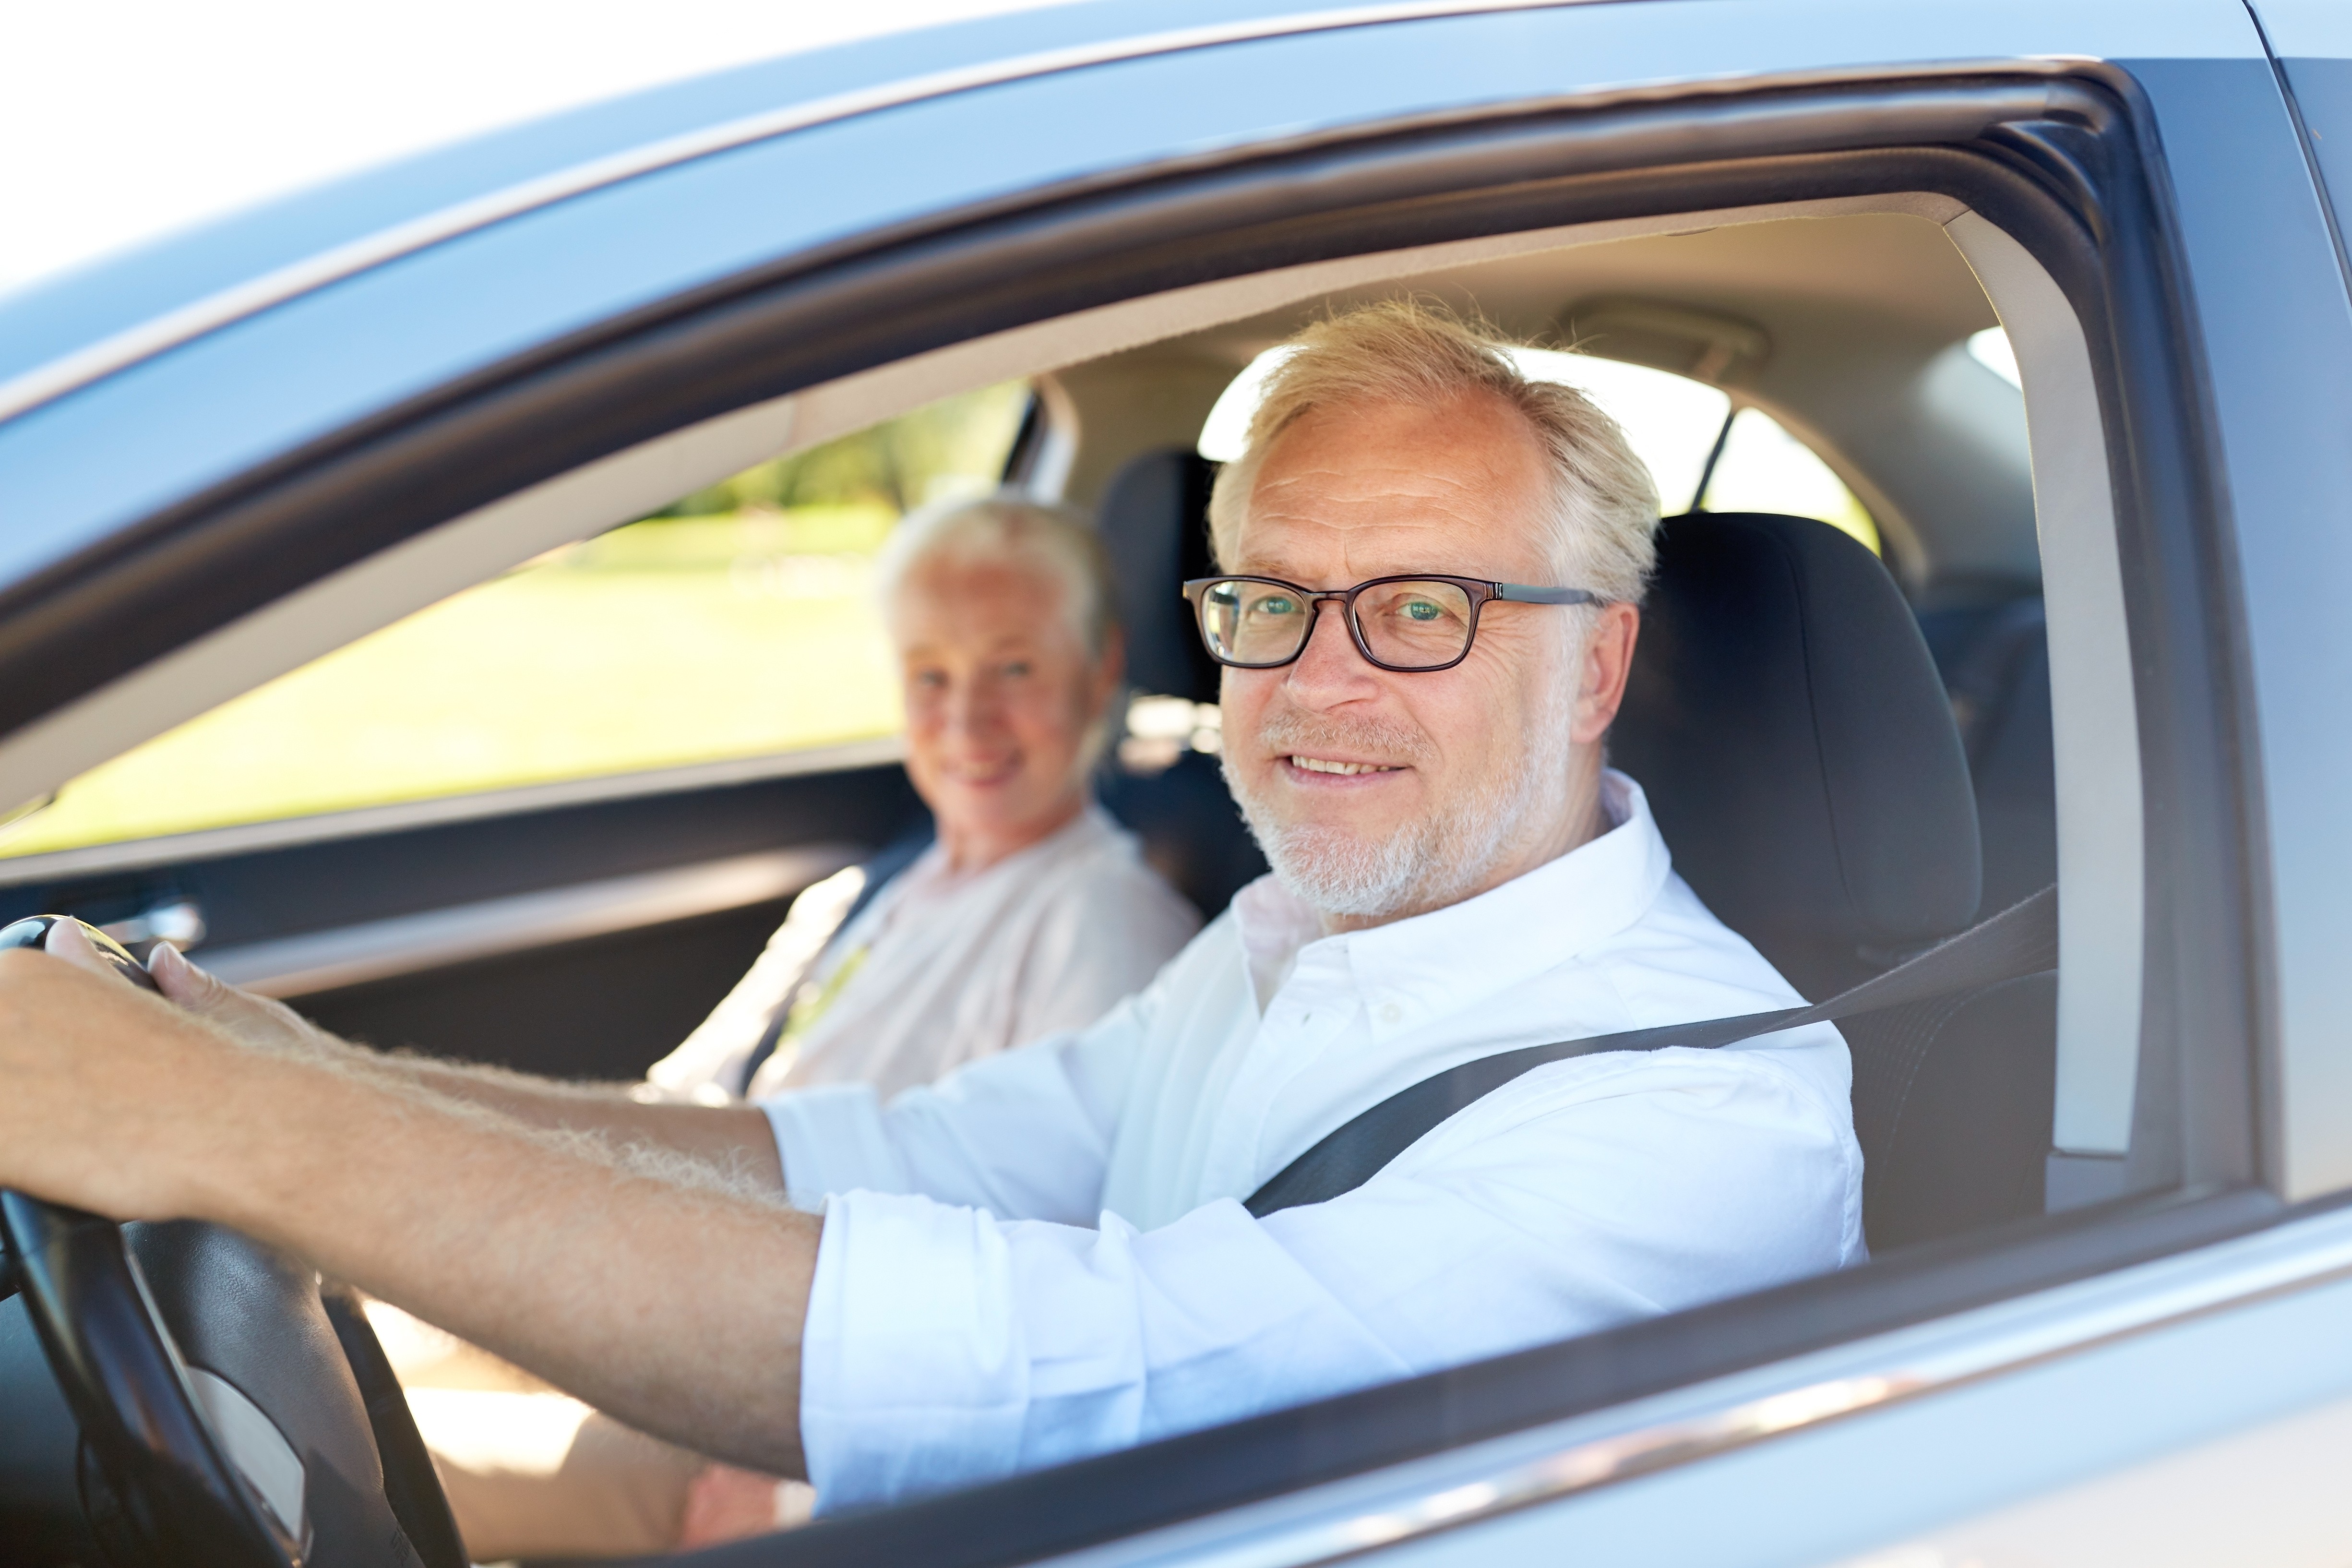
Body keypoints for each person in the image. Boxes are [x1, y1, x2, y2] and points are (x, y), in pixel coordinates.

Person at [0, 299, 1862, 1527]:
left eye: (1420, 611)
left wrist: (245, 1133)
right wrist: (314, 1070)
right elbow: (860, 1154)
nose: (1316, 682)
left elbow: (1091, 1372)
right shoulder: (1287, 934)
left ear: (1600, 659)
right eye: (1269, 603)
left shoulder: (1695, 1123)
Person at [409, 494, 1203, 1558]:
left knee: (333, 1443)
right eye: (931, 674)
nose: (965, 717)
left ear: (1100, 669)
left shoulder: (1102, 924)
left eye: (1013, 668)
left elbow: (1044, 1290)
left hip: (781, 1418)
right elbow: (687, 1102)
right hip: (644, 1303)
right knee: (328, 1340)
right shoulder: (866, 893)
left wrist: (808, 1483)